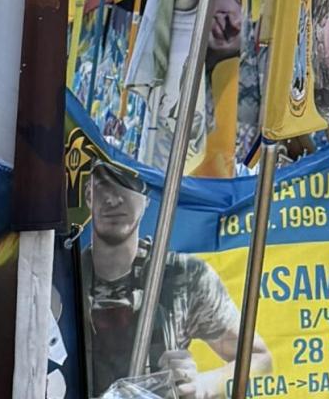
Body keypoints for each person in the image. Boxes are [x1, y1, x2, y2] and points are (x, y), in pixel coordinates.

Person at [82, 161, 271, 398]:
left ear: (146, 197)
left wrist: (202, 385)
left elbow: (258, 359)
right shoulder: (61, 279)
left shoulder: (184, 277)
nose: (113, 199)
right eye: (104, 187)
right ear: (89, 196)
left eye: (126, 186)